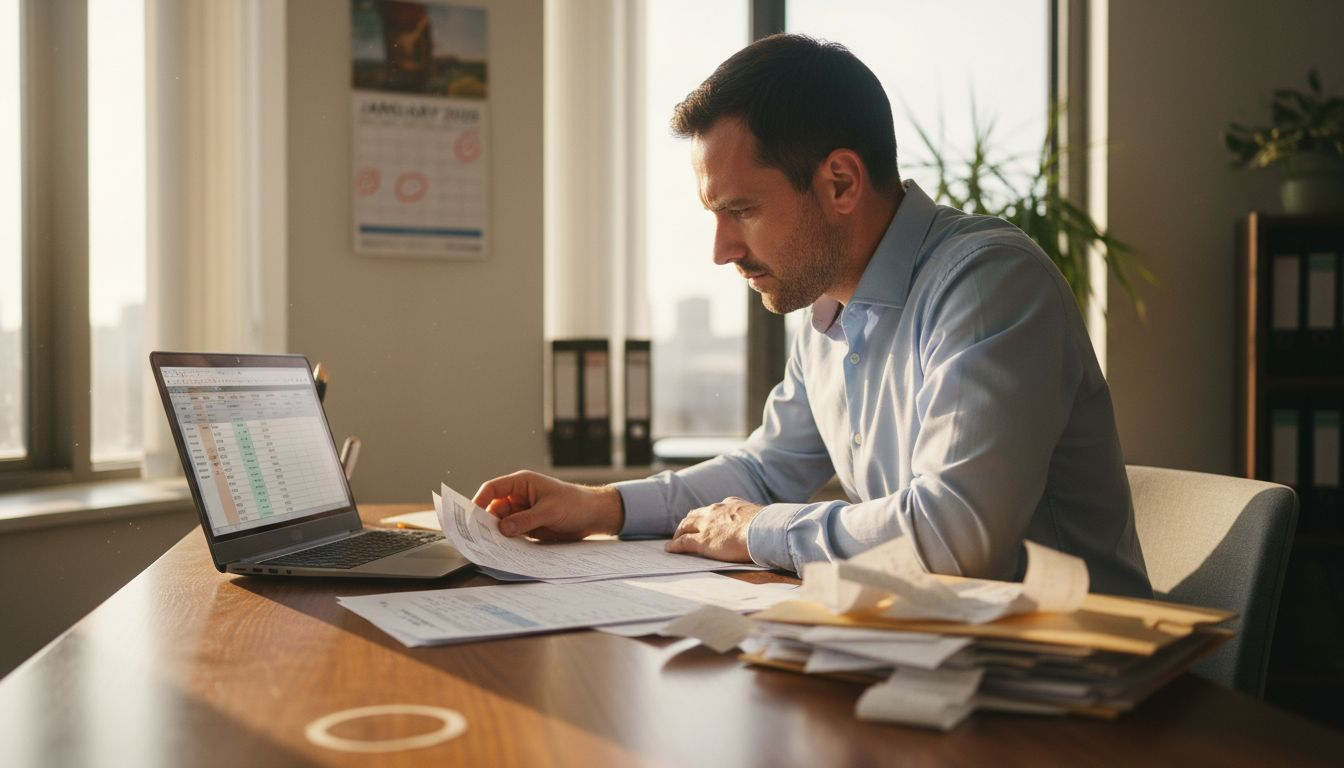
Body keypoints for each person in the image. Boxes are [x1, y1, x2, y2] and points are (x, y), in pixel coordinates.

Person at [474, 34, 1151, 598]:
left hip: (1072, 679)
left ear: (841, 183)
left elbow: (957, 536)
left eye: (740, 211)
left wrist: (759, 529)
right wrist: (600, 507)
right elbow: (765, 472)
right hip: (936, 653)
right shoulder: (831, 308)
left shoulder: (986, 285)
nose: (721, 250)